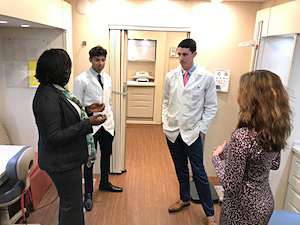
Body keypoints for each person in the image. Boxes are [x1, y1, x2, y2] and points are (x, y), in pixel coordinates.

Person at [32, 49, 106, 225]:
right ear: (58, 70)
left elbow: (65, 117)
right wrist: (88, 124)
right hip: (61, 162)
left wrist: (88, 111)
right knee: (71, 205)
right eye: (67, 69)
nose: (69, 73)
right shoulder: (46, 97)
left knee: (71, 204)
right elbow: (54, 137)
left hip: (67, 159)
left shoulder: (56, 91)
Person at [212, 70, 292, 225]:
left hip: (241, 209)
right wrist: (230, 155)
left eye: (241, 92)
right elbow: (273, 164)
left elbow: (230, 186)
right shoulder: (274, 131)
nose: (238, 97)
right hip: (264, 204)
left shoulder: (242, 136)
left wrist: (216, 158)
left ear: (251, 99)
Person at [162, 38, 218, 225]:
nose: (181, 58)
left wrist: (201, 129)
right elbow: (165, 101)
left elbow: (211, 107)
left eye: (185, 54)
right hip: (173, 131)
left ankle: (210, 214)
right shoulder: (171, 76)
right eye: (179, 54)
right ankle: (184, 198)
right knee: (180, 168)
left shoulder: (206, 77)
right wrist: (165, 121)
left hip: (193, 134)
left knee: (199, 173)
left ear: (194, 54)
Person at [73, 45, 122, 212]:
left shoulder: (107, 78)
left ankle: (104, 182)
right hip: (90, 127)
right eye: (97, 60)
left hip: (107, 125)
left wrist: (111, 118)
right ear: (90, 60)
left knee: (106, 155)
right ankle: (87, 193)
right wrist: (89, 112)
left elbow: (108, 102)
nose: (100, 63)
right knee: (89, 160)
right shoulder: (81, 80)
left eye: (103, 60)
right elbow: (76, 106)